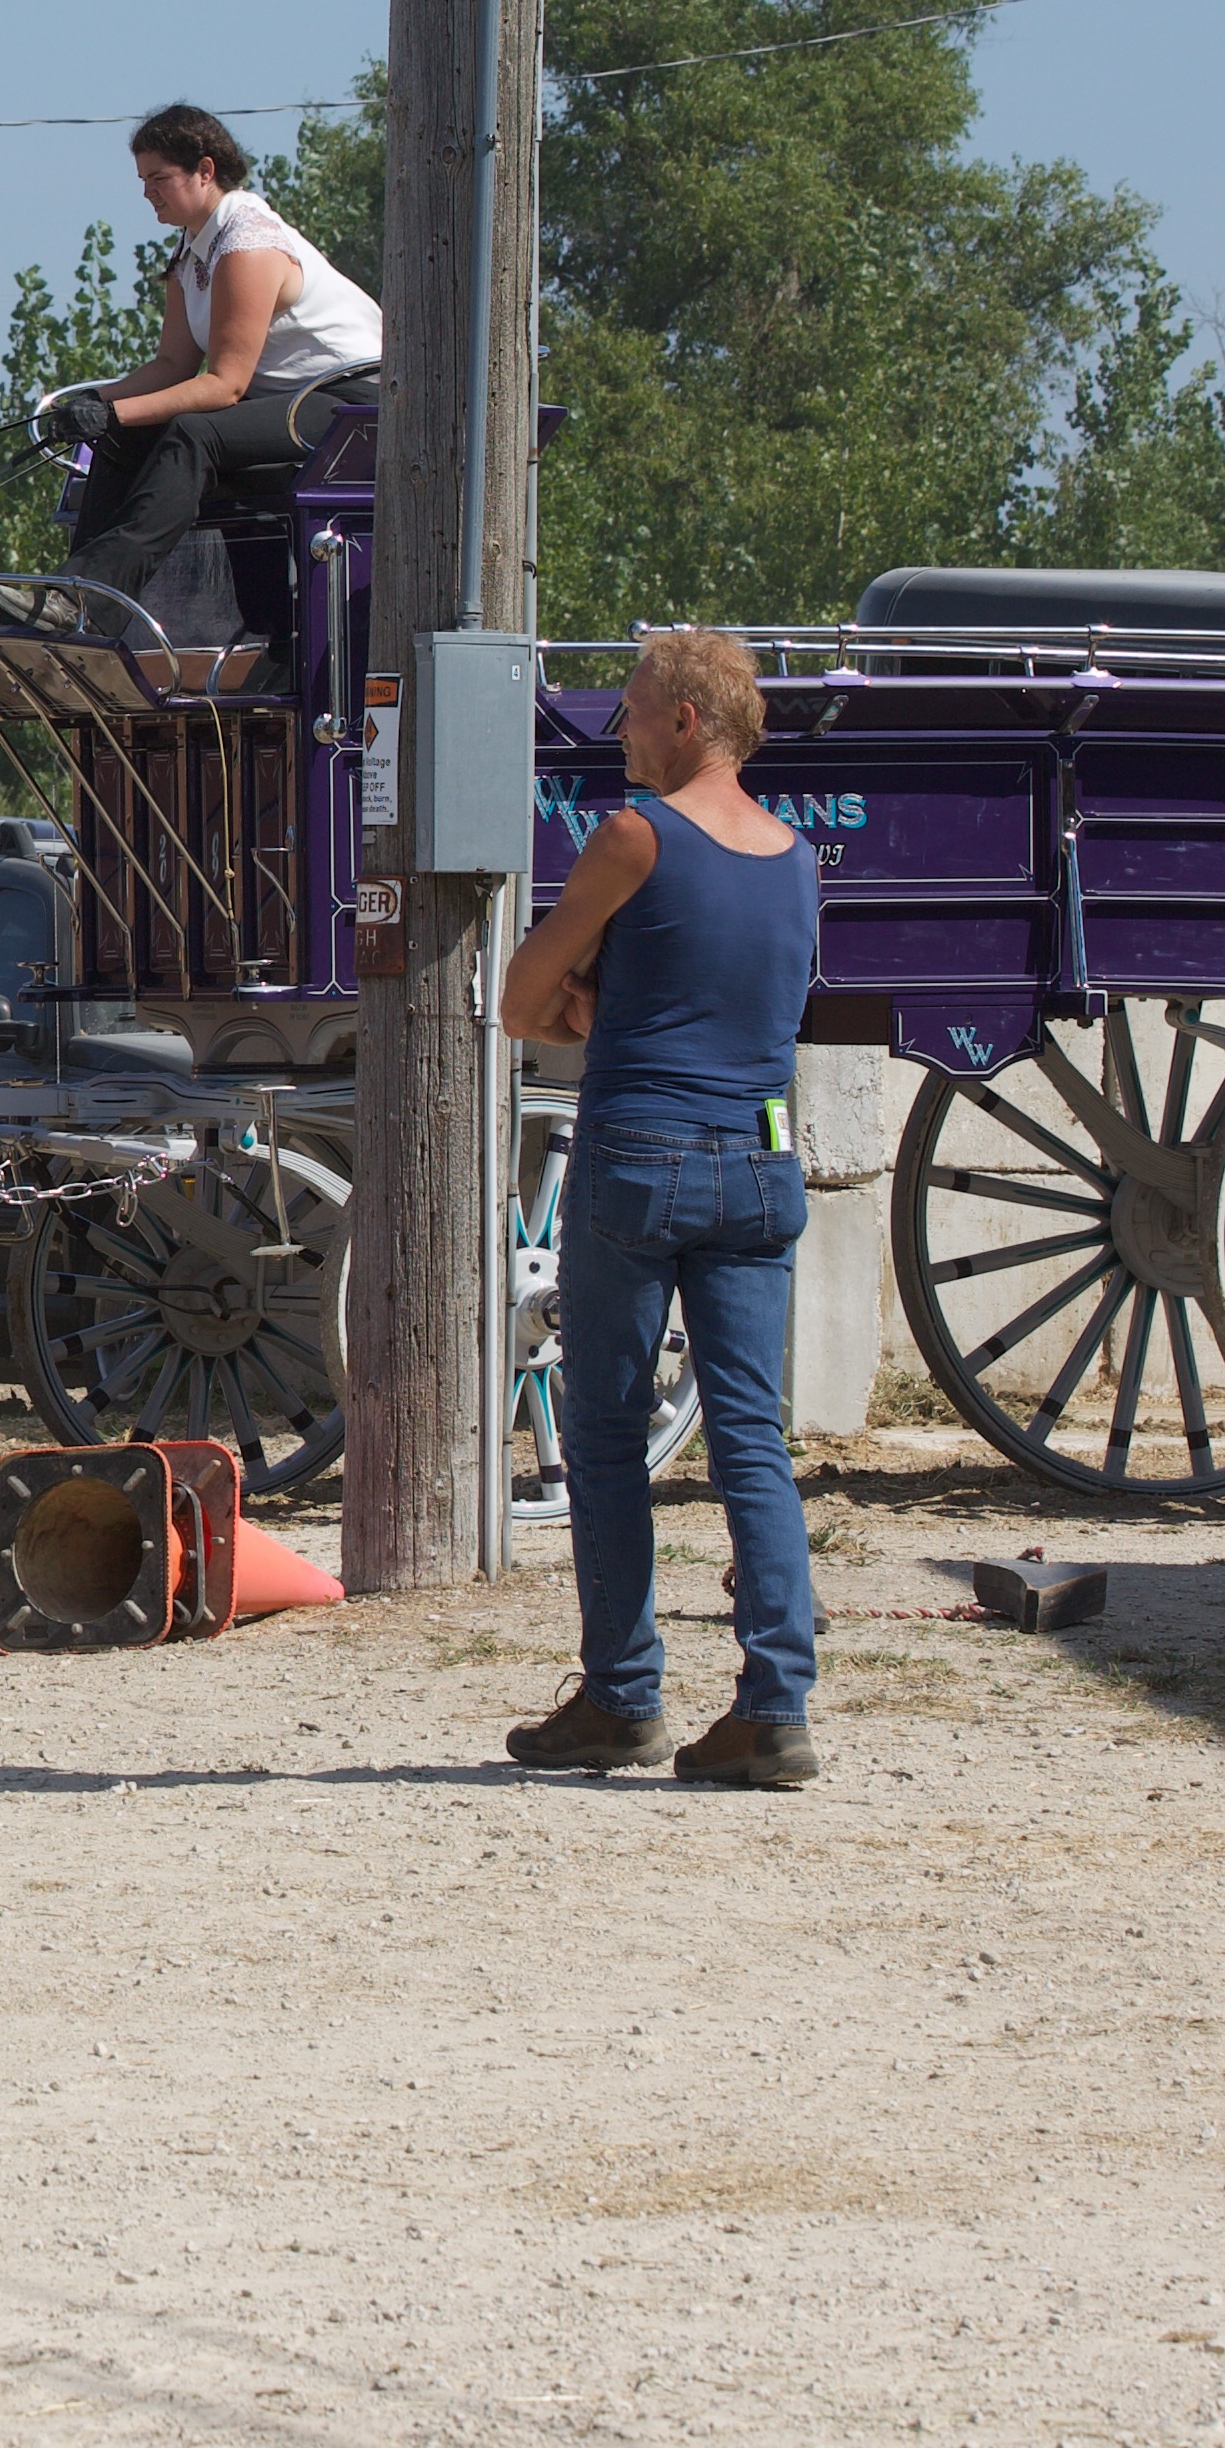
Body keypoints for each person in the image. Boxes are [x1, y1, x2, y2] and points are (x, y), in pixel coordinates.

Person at [494, 628, 829, 1789]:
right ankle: (775, 1707)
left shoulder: (635, 837)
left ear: (687, 720)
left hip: (641, 1151)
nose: (619, 729)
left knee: (603, 1429)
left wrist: (586, 1009)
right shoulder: (795, 856)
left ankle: (623, 1695)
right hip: (761, 1160)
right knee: (751, 1436)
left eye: (633, 708)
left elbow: (519, 1000)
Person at [38, 101, 388, 657]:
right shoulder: (192, 252)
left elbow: (224, 385)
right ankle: (70, 603)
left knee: (196, 435)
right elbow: (172, 366)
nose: (147, 193)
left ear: (205, 170)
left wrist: (113, 410)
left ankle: (91, 599)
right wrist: (91, 403)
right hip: (293, 403)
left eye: (159, 178)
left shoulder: (248, 241)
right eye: (143, 180)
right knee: (125, 438)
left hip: (355, 406)